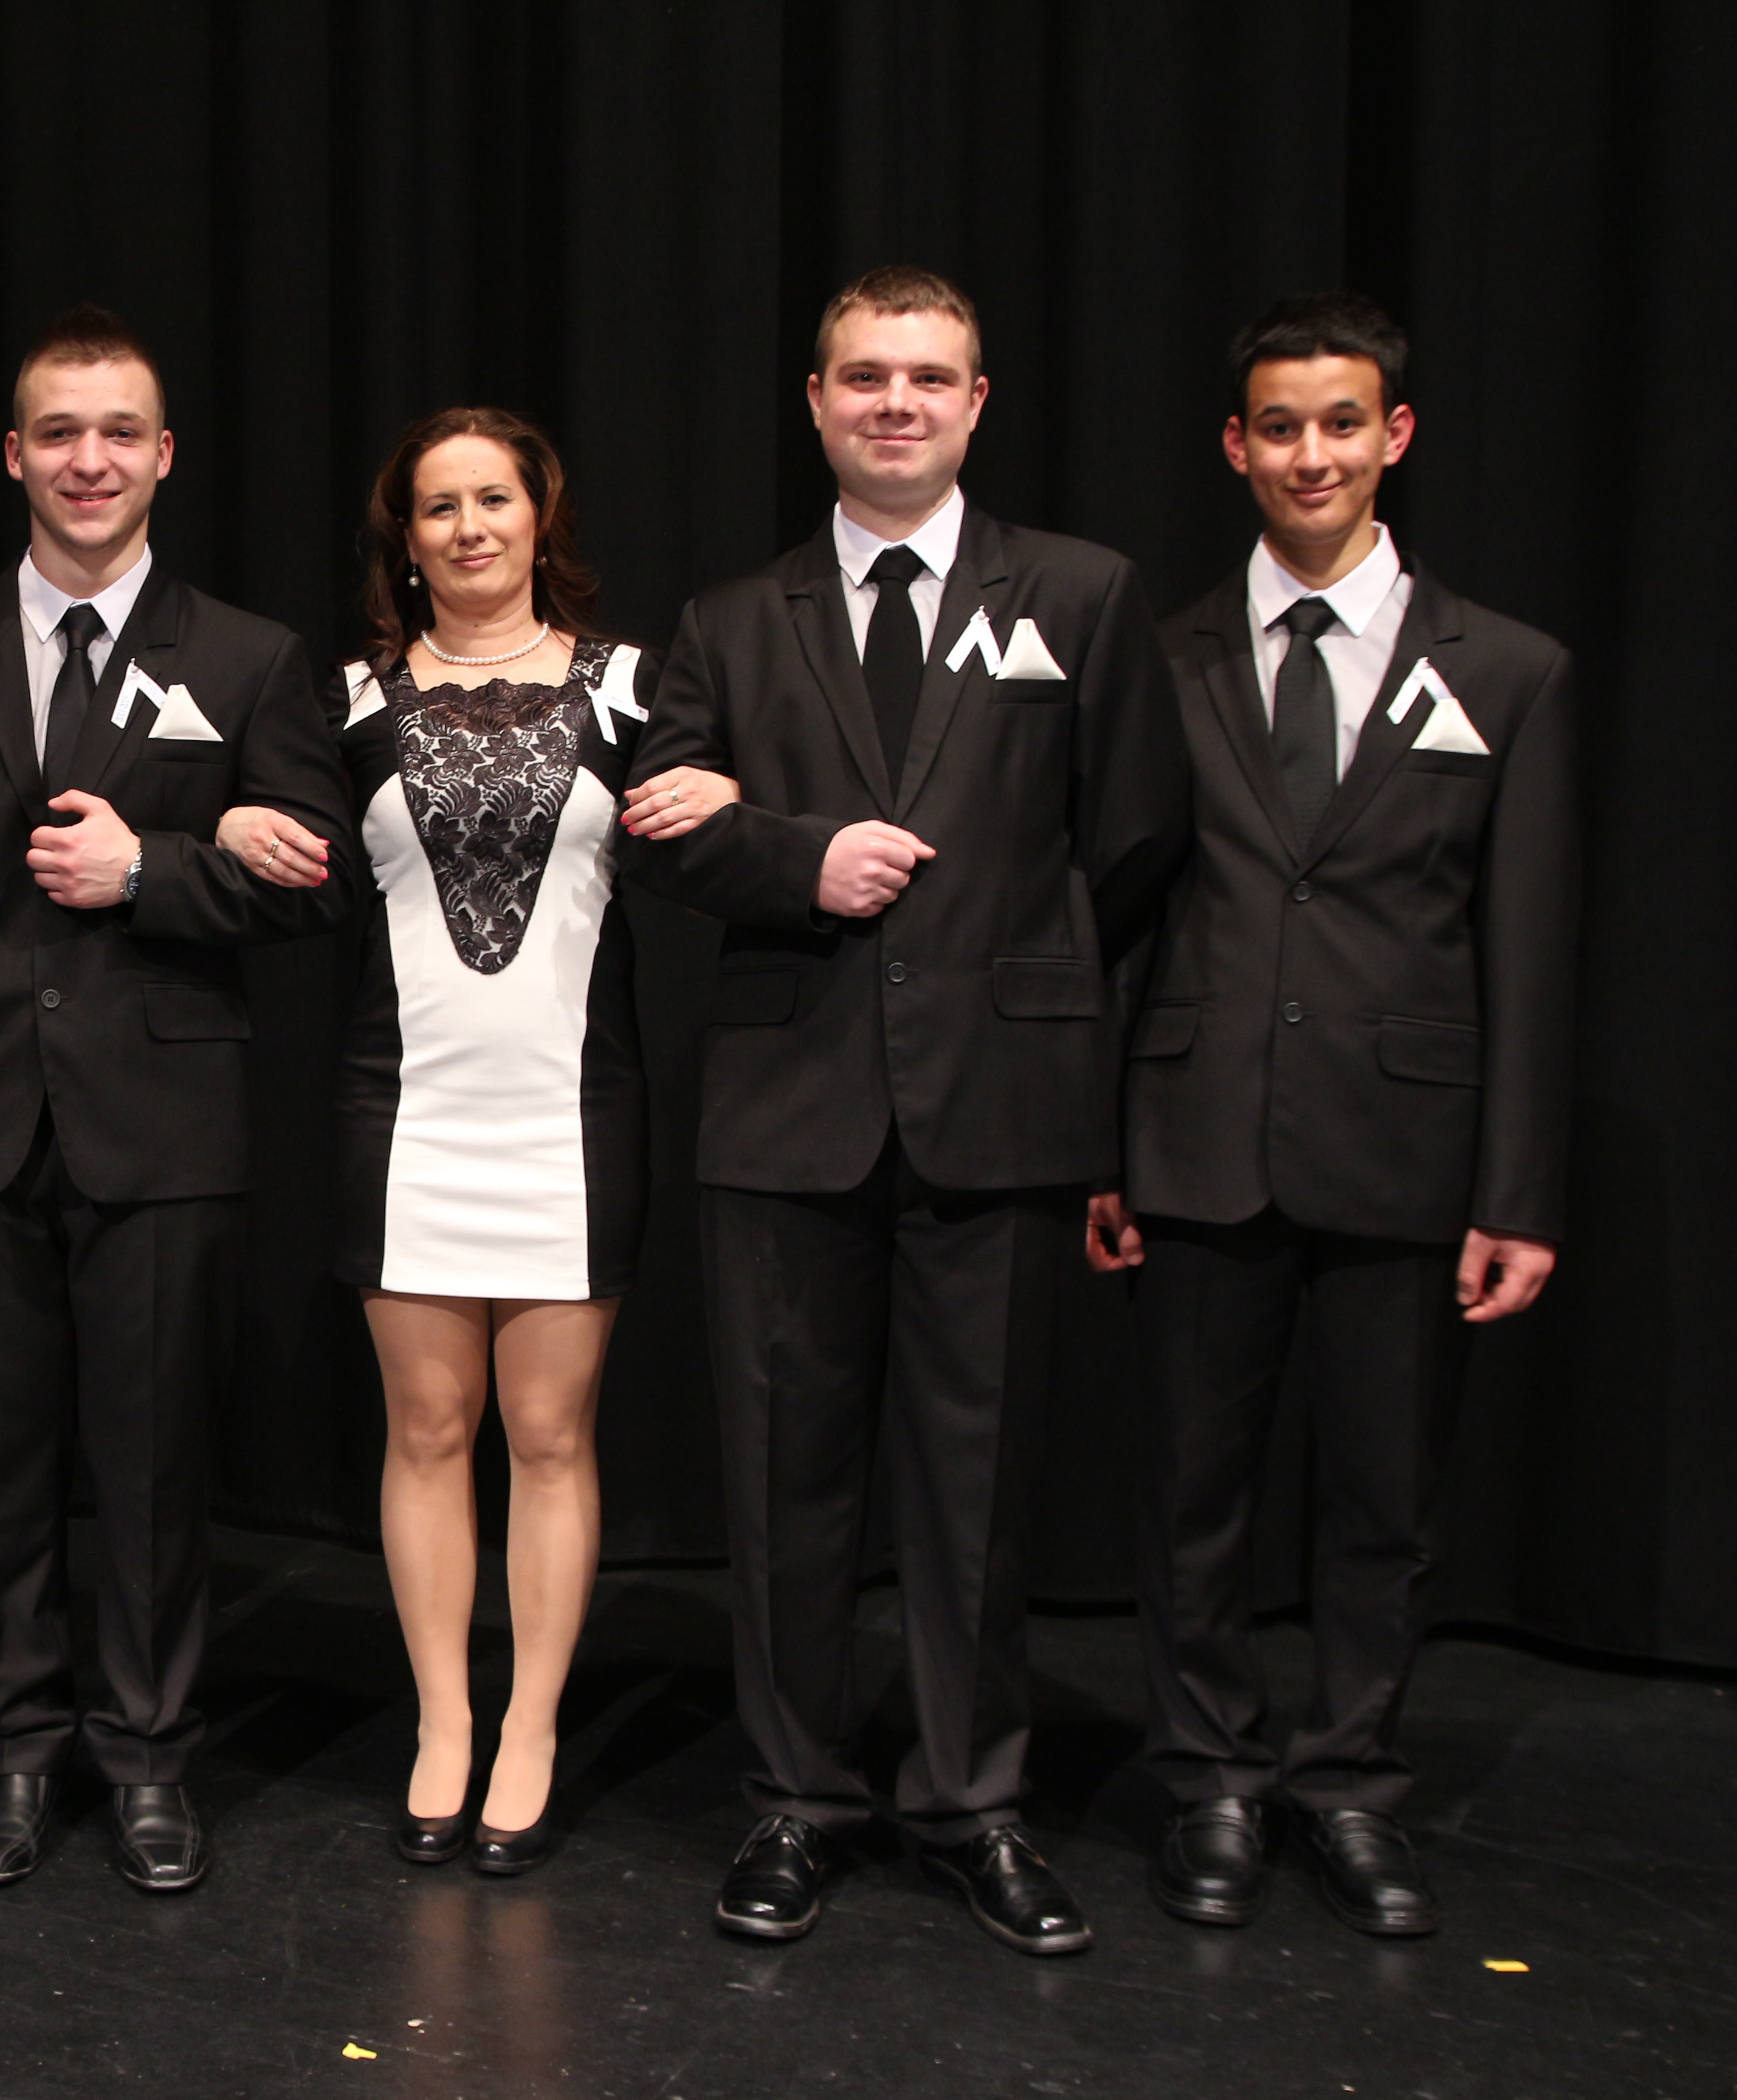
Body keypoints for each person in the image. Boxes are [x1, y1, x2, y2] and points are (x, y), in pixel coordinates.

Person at [621, 265, 1189, 1954]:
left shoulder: (1080, 594)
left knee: (978, 1484)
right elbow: (661, 829)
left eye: (928, 377)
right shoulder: (733, 618)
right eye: (865, 375)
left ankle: (972, 1803)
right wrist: (802, 859)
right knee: (783, 1480)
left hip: (1003, 1105)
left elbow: (1136, 839)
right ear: (815, 401)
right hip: (788, 1106)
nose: (896, 403)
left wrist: (1034, 1000)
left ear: (977, 402)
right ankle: (797, 1798)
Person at [0, 306, 353, 1893]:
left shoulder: (250, 658)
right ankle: (14, 1748)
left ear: (165, 454)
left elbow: (316, 880)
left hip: (165, 1123)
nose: (89, 459)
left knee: (150, 1465)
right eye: (59, 431)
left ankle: (145, 1757)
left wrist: (158, 873)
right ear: (14, 454)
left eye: (120, 430)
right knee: (0, 1464)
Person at [1091, 295, 1576, 1939]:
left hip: (1407, 1150)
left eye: (1343, 423)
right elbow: (1122, 917)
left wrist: (1517, 1189)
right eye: (1282, 427)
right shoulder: (1159, 659)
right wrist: (1102, 1148)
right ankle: (1212, 1778)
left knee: (1384, 1498)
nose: (1314, 454)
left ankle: (1354, 1781)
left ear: (1395, 437)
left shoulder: (1510, 668)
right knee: (1193, 1490)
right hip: (1196, 1136)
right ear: (1237, 448)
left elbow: (1531, 948)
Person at [219, 408, 720, 1873]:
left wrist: (731, 795)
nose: (469, 527)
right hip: (406, 1118)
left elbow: (717, 835)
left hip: (575, 1118)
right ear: (406, 539)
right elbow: (291, 853)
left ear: (538, 517)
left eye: (493, 499)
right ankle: (444, 1720)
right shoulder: (347, 701)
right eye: (438, 507)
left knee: (551, 1436)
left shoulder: (633, 690)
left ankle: (532, 1728)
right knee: (429, 1432)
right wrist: (238, 830)